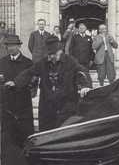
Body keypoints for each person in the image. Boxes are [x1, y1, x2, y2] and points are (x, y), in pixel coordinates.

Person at [5, 36, 92, 131]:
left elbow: (82, 72)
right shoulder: (43, 62)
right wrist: (16, 82)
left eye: (53, 54)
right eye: (49, 54)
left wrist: (85, 86)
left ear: (60, 52)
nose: (50, 57)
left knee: (64, 133)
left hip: (66, 105)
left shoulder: (71, 62)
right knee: (46, 132)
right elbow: (29, 72)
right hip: (47, 106)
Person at [0, 34, 34, 165]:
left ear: (19, 46)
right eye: (8, 45)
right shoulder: (1, 62)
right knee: (7, 139)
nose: (10, 48)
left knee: (24, 138)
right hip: (6, 107)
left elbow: (32, 83)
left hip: (23, 107)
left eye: (13, 45)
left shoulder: (28, 63)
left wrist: (19, 84)